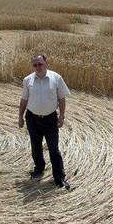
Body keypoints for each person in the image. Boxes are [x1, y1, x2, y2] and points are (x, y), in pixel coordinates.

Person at [18, 54, 71, 190]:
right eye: (35, 65)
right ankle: (39, 169)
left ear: (46, 63)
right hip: (32, 118)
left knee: (54, 149)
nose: (38, 67)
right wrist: (20, 117)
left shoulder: (56, 78)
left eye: (40, 64)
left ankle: (59, 178)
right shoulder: (28, 80)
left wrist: (61, 116)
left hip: (50, 119)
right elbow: (24, 99)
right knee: (35, 146)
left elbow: (62, 99)